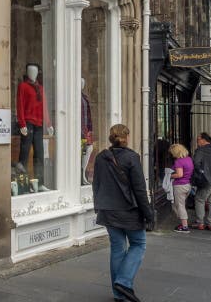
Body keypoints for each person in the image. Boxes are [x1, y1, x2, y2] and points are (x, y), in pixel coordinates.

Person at [92, 124, 153, 302]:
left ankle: (119, 294)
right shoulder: (132, 157)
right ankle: (124, 283)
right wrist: (148, 214)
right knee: (138, 244)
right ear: (127, 137)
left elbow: (96, 184)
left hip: (108, 210)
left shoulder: (101, 157)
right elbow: (140, 189)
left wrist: (98, 206)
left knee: (117, 249)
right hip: (129, 211)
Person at [16, 63, 54, 190]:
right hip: (28, 123)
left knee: (39, 154)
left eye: (35, 71)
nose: (32, 73)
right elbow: (20, 105)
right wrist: (22, 123)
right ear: (27, 72)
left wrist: (48, 124)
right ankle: (23, 185)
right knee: (24, 155)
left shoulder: (40, 88)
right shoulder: (23, 86)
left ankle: (39, 183)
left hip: (38, 124)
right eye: (30, 71)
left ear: (38, 73)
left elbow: (44, 107)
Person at [168, 143, 193, 232]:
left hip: (180, 186)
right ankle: (183, 222)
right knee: (180, 205)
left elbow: (179, 174)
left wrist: (169, 176)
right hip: (187, 185)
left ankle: (185, 227)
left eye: (172, 153)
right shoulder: (189, 159)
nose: (171, 155)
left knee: (180, 206)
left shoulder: (178, 161)